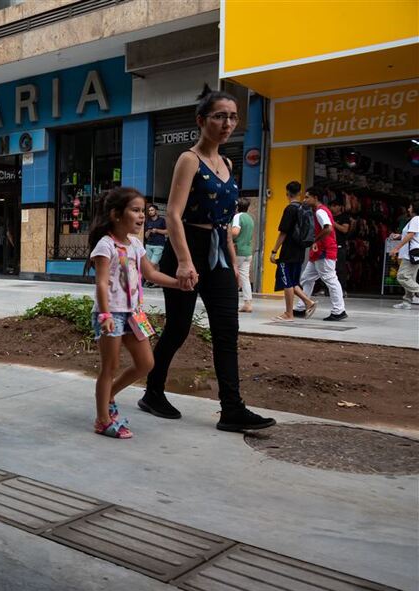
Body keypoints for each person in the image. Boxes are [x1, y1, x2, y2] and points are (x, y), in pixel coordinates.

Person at [139, 86, 275, 433]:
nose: (227, 123)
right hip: (187, 249)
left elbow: (225, 222)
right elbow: (172, 214)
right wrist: (185, 262)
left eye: (232, 117)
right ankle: (153, 391)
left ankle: (232, 408)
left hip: (218, 253)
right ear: (202, 121)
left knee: (227, 331)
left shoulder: (228, 162)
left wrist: (230, 264)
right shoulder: (189, 159)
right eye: (219, 116)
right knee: (179, 328)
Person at [90, 188, 181, 439]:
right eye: (136, 210)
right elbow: (100, 283)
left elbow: (150, 274)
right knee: (110, 366)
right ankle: (102, 420)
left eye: (143, 211)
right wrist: (105, 316)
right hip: (111, 314)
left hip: (133, 313)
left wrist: (178, 283)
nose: (142, 216)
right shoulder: (105, 245)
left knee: (146, 363)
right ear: (116, 214)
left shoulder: (137, 245)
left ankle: (109, 395)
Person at [294, 187, 347, 322]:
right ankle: (301, 307)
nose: (305, 200)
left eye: (307, 197)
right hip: (320, 251)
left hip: (324, 250)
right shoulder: (321, 210)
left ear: (315, 198)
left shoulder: (320, 212)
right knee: (306, 278)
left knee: (330, 279)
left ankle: (338, 310)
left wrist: (315, 240)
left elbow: (328, 228)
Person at [269, 181, 317, 321]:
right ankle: (309, 302)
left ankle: (289, 314)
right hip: (300, 251)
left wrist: (274, 251)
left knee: (287, 282)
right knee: (292, 281)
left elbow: (283, 233)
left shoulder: (290, 209)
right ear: (300, 193)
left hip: (288, 252)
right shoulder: (304, 207)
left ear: (287, 193)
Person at [389, 200, 419, 309]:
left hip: (410, 254)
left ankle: (411, 297)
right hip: (413, 253)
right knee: (410, 278)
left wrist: (397, 248)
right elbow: (412, 235)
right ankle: (407, 302)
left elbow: (411, 235)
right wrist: (399, 236)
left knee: (402, 277)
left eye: (410, 207)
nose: (408, 209)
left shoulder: (416, 219)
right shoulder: (415, 220)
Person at [230, 198, 254, 313]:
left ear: (237, 207)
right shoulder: (250, 218)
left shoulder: (237, 217)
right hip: (247, 252)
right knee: (245, 278)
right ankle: (247, 303)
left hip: (237, 251)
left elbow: (235, 232)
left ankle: (230, 301)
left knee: (230, 275)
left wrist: (224, 233)